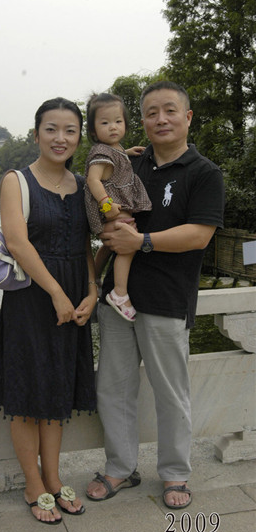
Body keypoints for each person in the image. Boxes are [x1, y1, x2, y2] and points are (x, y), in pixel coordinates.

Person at [86, 81, 225, 509]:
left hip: (167, 300)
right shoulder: (131, 166)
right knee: (113, 386)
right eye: (150, 113)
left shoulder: (204, 173)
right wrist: (93, 278)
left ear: (187, 118)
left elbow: (198, 235)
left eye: (169, 111)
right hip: (118, 299)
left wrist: (140, 242)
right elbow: (107, 221)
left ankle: (175, 475)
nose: (160, 119)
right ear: (140, 123)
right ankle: (120, 468)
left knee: (171, 392)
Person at [0, 97, 98, 524]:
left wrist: (91, 290)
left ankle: (53, 479)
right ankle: (32, 484)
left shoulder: (81, 184)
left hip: (74, 298)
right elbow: (17, 242)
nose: (60, 138)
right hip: (32, 299)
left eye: (70, 130)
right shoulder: (16, 181)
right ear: (36, 134)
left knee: (57, 389)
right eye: (51, 129)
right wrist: (56, 292)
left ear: (79, 138)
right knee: (27, 395)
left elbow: (85, 248)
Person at [84, 93, 151, 321]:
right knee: (127, 246)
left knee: (111, 245)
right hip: (112, 210)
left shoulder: (113, 150)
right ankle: (119, 293)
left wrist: (127, 152)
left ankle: (92, 276)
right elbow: (93, 180)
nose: (113, 127)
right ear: (93, 131)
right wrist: (106, 204)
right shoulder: (102, 154)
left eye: (118, 121)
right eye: (105, 123)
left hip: (115, 209)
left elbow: (116, 159)